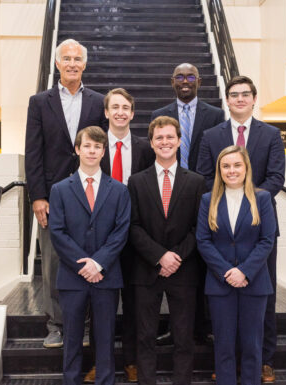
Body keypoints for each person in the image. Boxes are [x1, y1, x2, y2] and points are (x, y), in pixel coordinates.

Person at [196, 76, 285, 382]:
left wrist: (250, 198)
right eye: (234, 95)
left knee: (263, 301)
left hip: (257, 225)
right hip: (221, 228)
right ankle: (225, 367)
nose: (240, 99)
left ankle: (264, 360)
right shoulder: (211, 135)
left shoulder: (271, 134)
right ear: (227, 100)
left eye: (245, 94)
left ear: (254, 98)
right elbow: (204, 176)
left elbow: (276, 177)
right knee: (222, 318)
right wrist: (224, 197)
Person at [25, 38, 108, 348]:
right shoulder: (39, 102)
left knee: (90, 258)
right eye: (66, 58)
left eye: (77, 59)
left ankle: (85, 326)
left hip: (91, 194)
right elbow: (33, 152)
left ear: (84, 65)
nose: (72, 63)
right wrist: (37, 196)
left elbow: (106, 150)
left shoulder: (99, 102)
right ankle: (57, 325)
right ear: (57, 63)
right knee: (54, 264)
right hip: (53, 197)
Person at [127, 116, 207, 385]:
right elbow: (133, 226)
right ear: (151, 143)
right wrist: (159, 256)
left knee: (184, 337)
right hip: (146, 269)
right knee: (145, 336)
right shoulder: (136, 182)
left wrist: (176, 256)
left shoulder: (196, 182)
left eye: (170, 137)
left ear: (179, 141)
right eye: (159, 138)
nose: (165, 142)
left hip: (184, 269)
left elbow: (199, 227)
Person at [48, 126, 130, 385]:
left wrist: (98, 263)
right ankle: (70, 380)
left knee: (105, 336)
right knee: (72, 336)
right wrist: (83, 264)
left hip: (106, 276)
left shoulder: (119, 190)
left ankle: (105, 380)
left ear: (103, 151)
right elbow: (58, 232)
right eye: (87, 146)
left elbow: (121, 231)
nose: (92, 151)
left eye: (97, 147)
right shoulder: (60, 189)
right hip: (72, 277)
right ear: (77, 149)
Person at [83, 88, 154, 383]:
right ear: (107, 112)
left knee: (135, 303)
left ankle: (131, 360)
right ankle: (101, 363)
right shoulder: (96, 147)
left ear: (133, 113)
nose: (121, 112)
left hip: (136, 236)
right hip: (103, 239)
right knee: (102, 305)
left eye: (126, 107)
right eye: (116, 107)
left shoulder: (145, 148)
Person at [150, 63, 225, 345]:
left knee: (198, 262)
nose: (185, 81)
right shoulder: (159, 115)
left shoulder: (216, 115)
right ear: (172, 82)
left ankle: (199, 326)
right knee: (172, 263)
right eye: (180, 77)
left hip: (203, 195)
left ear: (199, 81)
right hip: (169, 196)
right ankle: (174, 326)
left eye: (190, 76)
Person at [196, 145, 276, 385]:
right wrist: (226, 271)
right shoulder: (208, 199)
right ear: (220, 170)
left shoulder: (262, 198)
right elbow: (203, 240)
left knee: (252, 345)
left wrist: (244, 271)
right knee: (224, 345)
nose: (232, 170)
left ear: (246, 168)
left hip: (254, 283)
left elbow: (267, 240)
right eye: (226, 166)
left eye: (237, 165)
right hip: (220, 284)